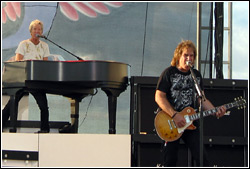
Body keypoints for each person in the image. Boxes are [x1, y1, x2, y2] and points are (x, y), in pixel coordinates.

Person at [155, 40, 226, 166]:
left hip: (190, 121)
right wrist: (174, 115)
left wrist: (216, 111)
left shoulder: (196, 75)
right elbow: (159, 97)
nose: (189, 58)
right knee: (170, 160)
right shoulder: (169, 73)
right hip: (170, 121)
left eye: (191, 56)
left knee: (202, 158)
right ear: (178, 56)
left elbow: (201, 99)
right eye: (186, 55)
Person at [2, 19, 50, 133]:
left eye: (39, 29)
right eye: (35, 29)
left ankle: (44, 129)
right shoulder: (24, 44)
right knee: (12, 104)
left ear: (42, 32)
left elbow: (45, 63)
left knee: (43, 106)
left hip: (37, 80)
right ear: (31, 31)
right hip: (23, 79)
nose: (37, 31)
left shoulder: (44, 46)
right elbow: (18, 61)